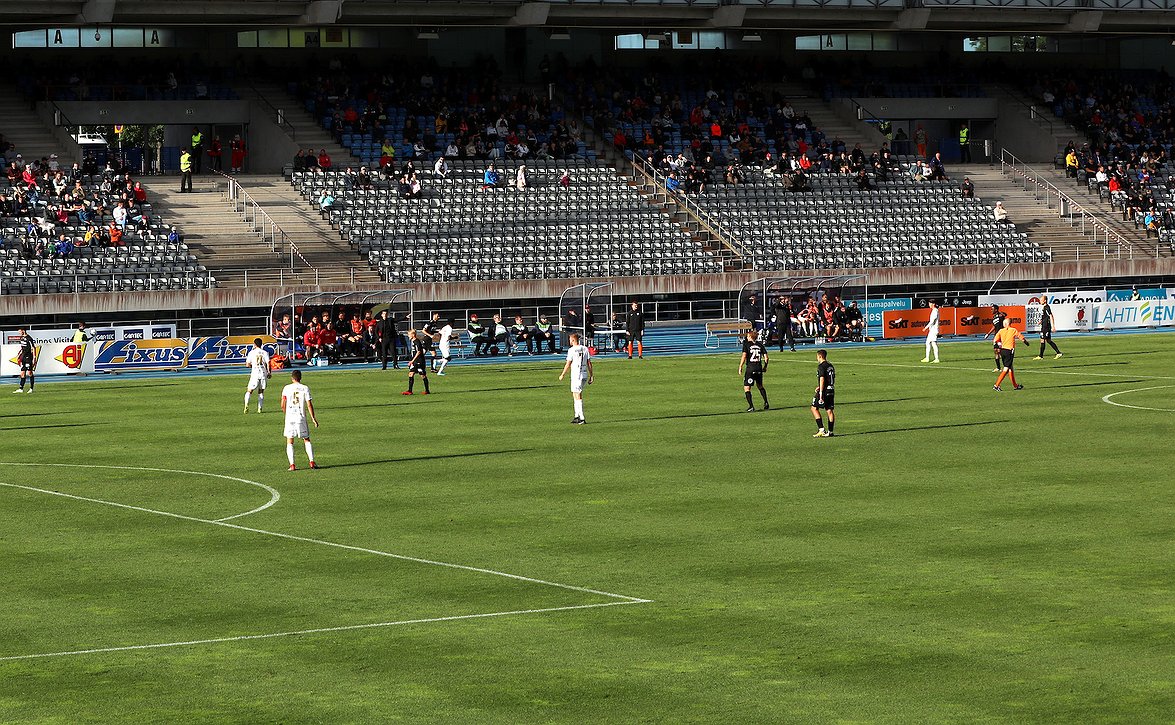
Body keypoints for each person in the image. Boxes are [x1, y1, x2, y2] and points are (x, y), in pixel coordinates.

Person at [281, 370, 319, 470]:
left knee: (290, 441)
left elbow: (282, 404)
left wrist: (286, 413)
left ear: (292, 378)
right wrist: (313, 418)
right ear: (300, 378)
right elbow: (309, 404)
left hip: (290, 417)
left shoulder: (286, 388)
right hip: (300, 416)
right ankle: (311, 462)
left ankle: (292, 465)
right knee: (306, 439)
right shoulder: (305, 388)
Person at [558, 332, 593, 425]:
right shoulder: (585, 348)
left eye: (570, 339)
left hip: (576, 375)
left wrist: (562, 374)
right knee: (575, 393)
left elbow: (568, 363)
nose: (569, 341)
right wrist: (591, 375)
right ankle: (576, 415)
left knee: (578, 394)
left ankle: (582, 417)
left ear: (573, 340)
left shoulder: (571, 350)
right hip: (584, 374)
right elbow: (589, 362)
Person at [738, 329, 769, 413]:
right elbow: (766, 357)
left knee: (747, 387)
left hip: (750, 369)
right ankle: (766, 402)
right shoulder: (760, 345)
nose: (747, 338)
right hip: (759, 368)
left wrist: (740, 366)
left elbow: (744, 356)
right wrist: (765, 367)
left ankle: (751, 406)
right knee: (760, 386)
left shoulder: (746, 344)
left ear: (751, 337)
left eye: (748, 336)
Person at [993, 318, 1028, 392]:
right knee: (1006, 368)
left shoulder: (1001, 331)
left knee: (1010, 367)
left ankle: (1015, 386)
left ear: (1005, 324)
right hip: (1009, 351)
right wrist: (1025, 342)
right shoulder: (1013, 330)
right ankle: (996, 385)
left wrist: (999, 345)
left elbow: (995, 340)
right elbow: (1020, 336)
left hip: (1003, 350)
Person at [811, 349, 836, 437]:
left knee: (814, 408)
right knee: (829, 410)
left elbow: (822, 378)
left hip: (824, 391)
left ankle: (821, 429)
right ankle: (830, 431)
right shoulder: (830, 366)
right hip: (831, 389)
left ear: (820, 356)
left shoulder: (821, 366)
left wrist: (820, 391)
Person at [243, 338, 271, 413]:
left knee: (249, 390)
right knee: (261, 391)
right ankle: (259, 408)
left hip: (255, 373)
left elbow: (247, 364)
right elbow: (268, 363)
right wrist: (269, 372)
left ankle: (246, 405)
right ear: (261, 344)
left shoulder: (251, 353)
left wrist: (254, 366)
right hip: (263, 373)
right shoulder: (265, 352)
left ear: (254, 344)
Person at [402, 330, 431, 395]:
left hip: (419, 361)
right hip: (415, 361)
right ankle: (410, 391)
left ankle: (427, 390)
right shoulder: (413, 341)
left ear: (413, 335)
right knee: (411, 374)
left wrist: (412, 360)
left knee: (423, 375)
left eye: (409, 334)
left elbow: (419, 352)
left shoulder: (417, 342)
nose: (408, 336)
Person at [983, 304, 1008, 372]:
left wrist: (1000, 313)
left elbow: (1005, 314)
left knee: (1001, 351)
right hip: (996, 336)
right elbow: (994, 326)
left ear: (996, 310)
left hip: (1002, 336)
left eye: (992, 309)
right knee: (996, 351)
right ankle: (998, 367)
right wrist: (988, 334)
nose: (991, 310)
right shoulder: (994, 317)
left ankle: (1006, 366)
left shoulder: (1000, 316)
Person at [14, 327, 36, 393]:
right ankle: (21, 388)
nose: (19, 333)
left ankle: (31, 388)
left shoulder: (29, 338)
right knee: (22, 373)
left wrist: (34, 357)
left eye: (20, 331)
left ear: (23, 331)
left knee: (29, 373)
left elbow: (33, 348)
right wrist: (19, 354)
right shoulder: (21, 338)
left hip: (28, 357)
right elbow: (22, 348)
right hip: (23, 357)